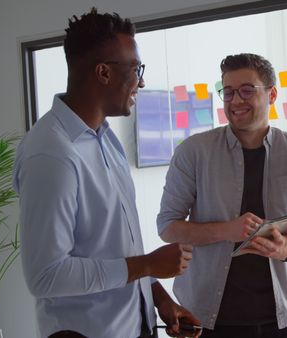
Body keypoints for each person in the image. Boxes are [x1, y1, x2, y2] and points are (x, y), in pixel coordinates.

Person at [13, 8, 201, 338]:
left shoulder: (106, 138)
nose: (141, 81)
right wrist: (146, 265)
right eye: (136, 69)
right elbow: (45, 275)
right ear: (103, 73)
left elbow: (116, 246)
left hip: (134, 323)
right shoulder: (51, 154)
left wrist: (157, 297)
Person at [157, 53, 287, 338]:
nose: (235, 101)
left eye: (246, 90)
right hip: (206, 316)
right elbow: (168, 227)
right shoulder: (193, 152)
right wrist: (227, 230)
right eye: (228, 92)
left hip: (282, 315)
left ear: (272, 94)